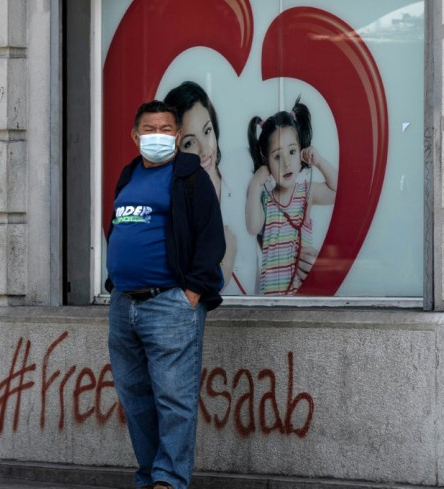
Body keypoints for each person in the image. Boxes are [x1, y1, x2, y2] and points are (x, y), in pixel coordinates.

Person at [106, 100, 225, 489]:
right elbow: (119, 228)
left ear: (177, 136)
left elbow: (211, 238)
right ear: (135, 136)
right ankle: (150, 475)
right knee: (135, 400)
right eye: (150, 129)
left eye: (166, 129)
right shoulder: (128, 175)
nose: (157, 136)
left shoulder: (190, 176)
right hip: (125, 305)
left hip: (170, 303)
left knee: (175, 401)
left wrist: (191, 293)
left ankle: (169, 480)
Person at [245, 97, 338, 295]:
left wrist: (319, 161)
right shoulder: (265, 198)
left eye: (292, 152)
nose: (287, 163)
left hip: (302, 293)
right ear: (265, 160)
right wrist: (255, 185)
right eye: (277, 156)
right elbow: (253, 227)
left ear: (301, 151)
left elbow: (338, 192)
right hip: (271, 298)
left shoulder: (307, 192)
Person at [163, 81, 244, 294]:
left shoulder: (244, 170)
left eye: (207, 131)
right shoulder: (171, 205)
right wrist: (227, 261)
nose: (204, 149)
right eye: (189, 143)